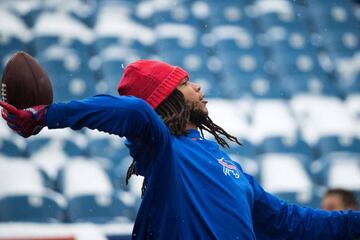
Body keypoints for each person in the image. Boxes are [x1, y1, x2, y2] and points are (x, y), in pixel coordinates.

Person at [1, 59, 360, 239]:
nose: (199, 88)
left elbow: (292, 222)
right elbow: (137, 111)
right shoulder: (161, 147)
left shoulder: (227, 164)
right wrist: (46, 114)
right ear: (166, 96)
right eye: (185, 83)